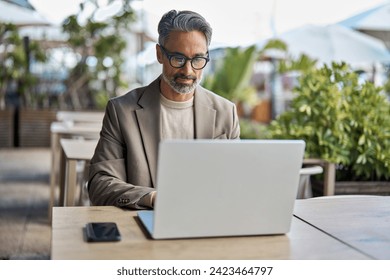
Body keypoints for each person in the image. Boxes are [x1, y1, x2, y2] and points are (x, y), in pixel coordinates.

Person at [88, 10, 240, 209]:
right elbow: (100, 183)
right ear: (159, 54)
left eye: (198, 60)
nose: (188, 70)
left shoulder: (225, 113)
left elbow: (236, 181)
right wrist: (151, 198)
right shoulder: (121, 111)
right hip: (145, 222)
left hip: (208, 221)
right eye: (178, 58)